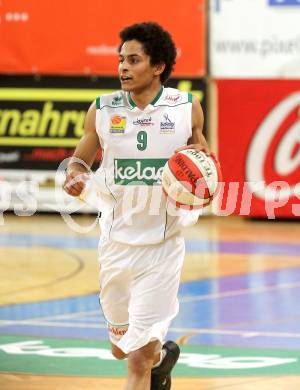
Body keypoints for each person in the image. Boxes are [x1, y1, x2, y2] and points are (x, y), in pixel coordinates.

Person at [63, 22, 210, 390]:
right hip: (115, 244)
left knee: (137, 359)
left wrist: (204, 175)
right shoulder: (101, 109)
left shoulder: (186, 107)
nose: (123, 68)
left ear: (158, 66)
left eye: (133, 60)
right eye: (121, 60)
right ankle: (163, 359)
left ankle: (151, 360)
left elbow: (203, 156)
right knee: (120, 349)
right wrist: (75, 175)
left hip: (162, 249)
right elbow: (80, 159)